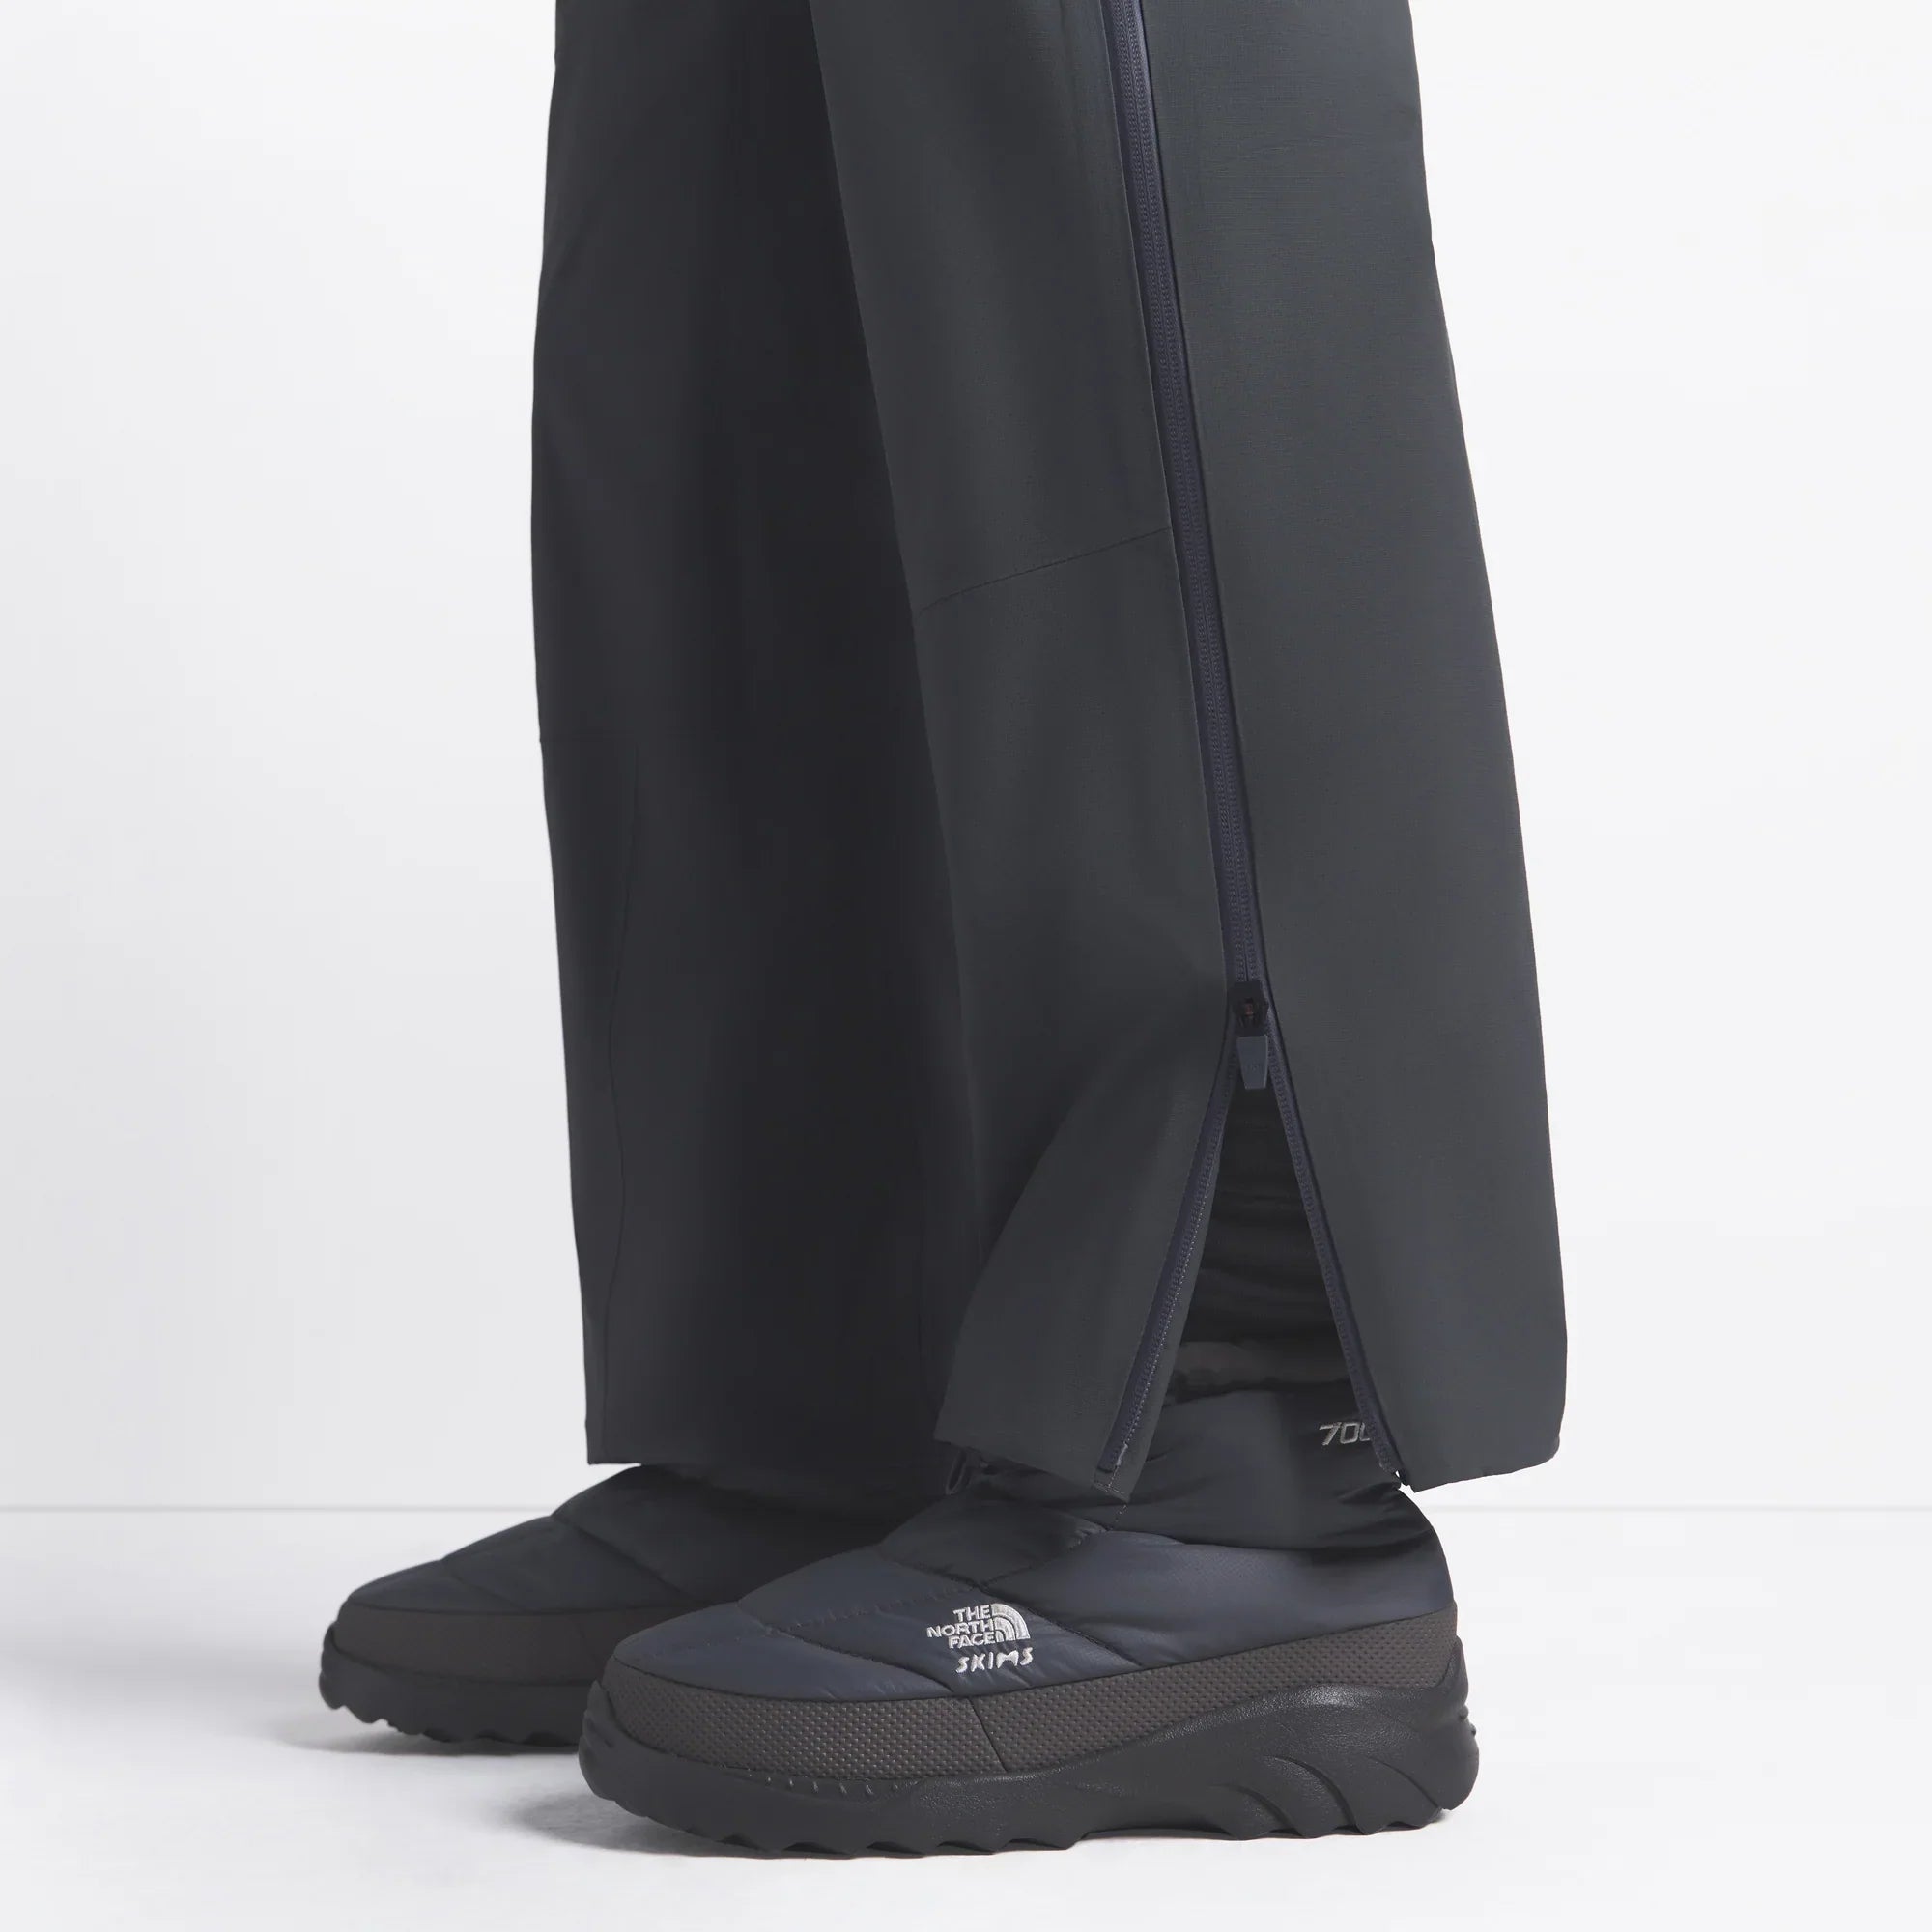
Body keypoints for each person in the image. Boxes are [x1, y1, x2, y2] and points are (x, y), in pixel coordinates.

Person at [320, 0, 1565, 1853]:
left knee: (1086, 100)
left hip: (1238, 1416)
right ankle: (846, 1406)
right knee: (725, 143)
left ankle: (1231, 1443)